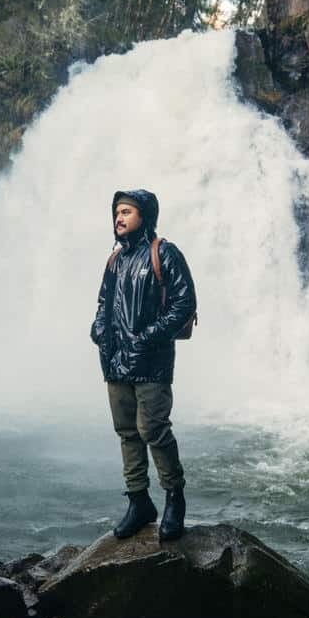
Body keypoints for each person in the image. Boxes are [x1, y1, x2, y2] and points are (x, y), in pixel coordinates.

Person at [90, 189, 197, 541]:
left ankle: (174, 498)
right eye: (117, 212)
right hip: (115, 361)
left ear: (144, 216)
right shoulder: (115, 260)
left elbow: (184, 303)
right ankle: (138, 501)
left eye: (127, 212)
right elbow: (104, 302)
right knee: (127, 433)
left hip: (151, 363)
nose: (119, 218)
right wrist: (99, 329)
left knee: (154, 430)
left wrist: (148, 336)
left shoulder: (164, 252)